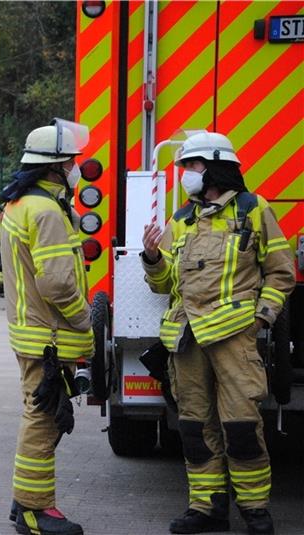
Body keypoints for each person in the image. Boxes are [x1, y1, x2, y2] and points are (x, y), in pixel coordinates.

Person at [141, 131, 295, 535]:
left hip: (233, 339)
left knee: (242, 427)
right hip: (187, 340)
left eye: (190, 166)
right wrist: (153, 258)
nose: (185, 174)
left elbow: (281, 273)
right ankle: (207, 508)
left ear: (214, 167)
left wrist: (261, 318)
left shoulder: (253, 209)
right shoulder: (181, 220)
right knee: (193, 428)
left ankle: (255, 510)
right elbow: (164, 284)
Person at [0, 120, 93, 535]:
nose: (76, 167)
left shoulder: (20, 204)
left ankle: (24, 504)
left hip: (30, 332)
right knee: (43, 419)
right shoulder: (46, 211)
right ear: (56, 168)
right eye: (72, 161)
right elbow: (55, 282)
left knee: (38, 415)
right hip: (49, 337)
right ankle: (36, 512)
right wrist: (83, 319)